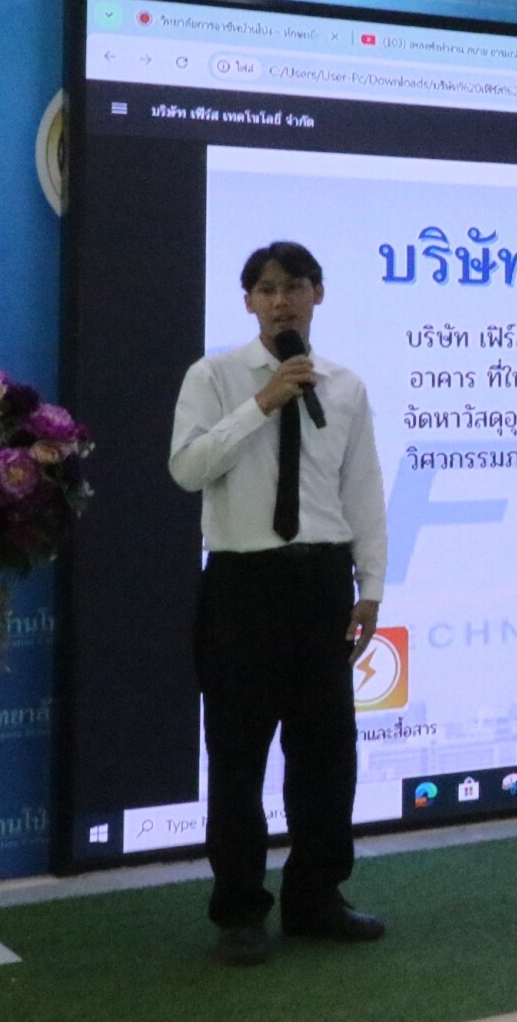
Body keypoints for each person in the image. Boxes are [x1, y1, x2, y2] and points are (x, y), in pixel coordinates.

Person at [169, 241, 388, 965]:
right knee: (238, 755)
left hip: (322, 583)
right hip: (242, 585)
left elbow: (363, 493)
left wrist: (371, 587)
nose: (281, 300)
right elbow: (187, 468)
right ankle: (239, 911)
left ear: (318, 294)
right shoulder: (214, 377)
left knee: (326, 754)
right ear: (248, 302)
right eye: (266, 289)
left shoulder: (345, 387)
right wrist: (260, 405)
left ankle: (316, 898)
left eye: (295, 286)